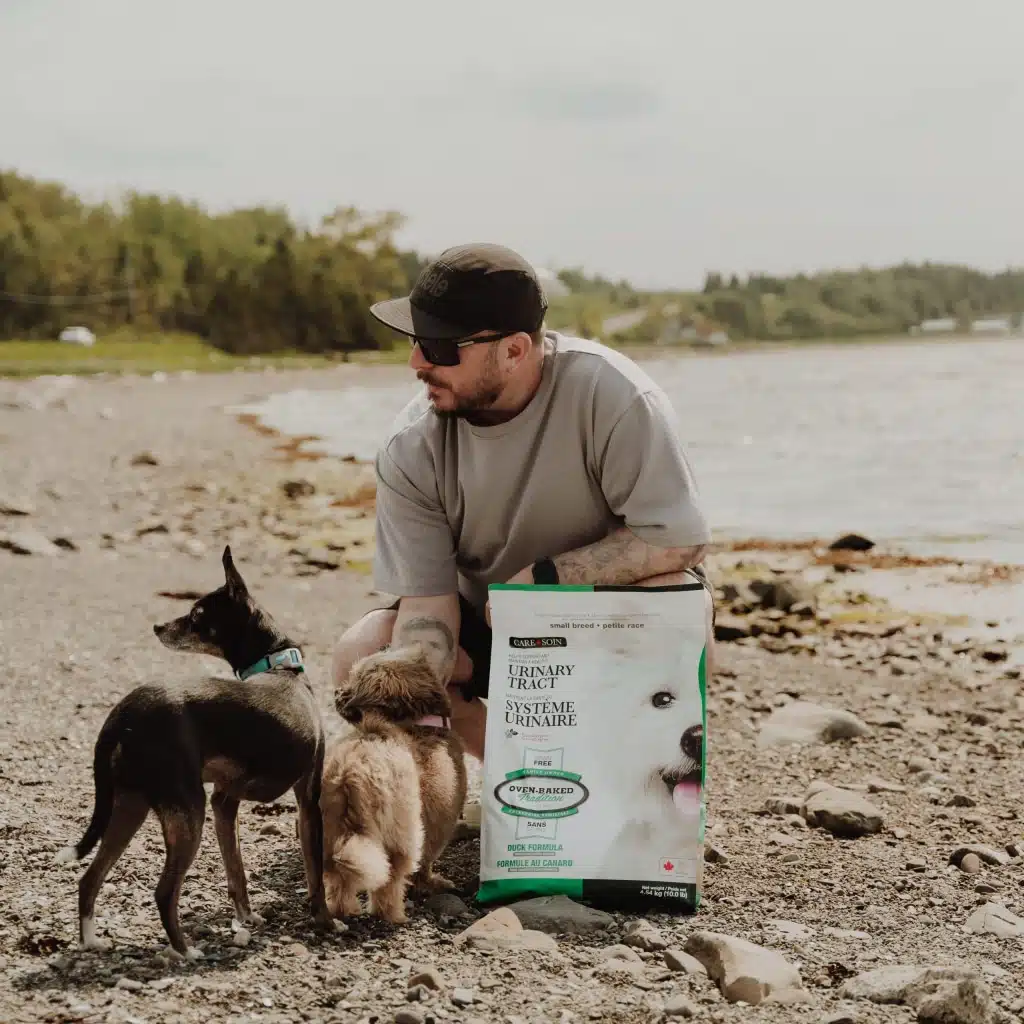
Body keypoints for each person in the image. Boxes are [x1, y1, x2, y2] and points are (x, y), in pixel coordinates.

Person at [331, 242, 714, 761]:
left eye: (440, 347)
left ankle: (633, 781)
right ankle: (507, 776)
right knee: (365, 652)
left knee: (678, 607)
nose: (416, 362)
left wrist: (542, 582)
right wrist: (415, 677)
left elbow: (681, 542)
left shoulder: (618, 398)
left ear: (513, 350)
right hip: (484, 627)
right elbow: (426, 605)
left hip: (596, 620)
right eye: (416, 340)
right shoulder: (412, 444)